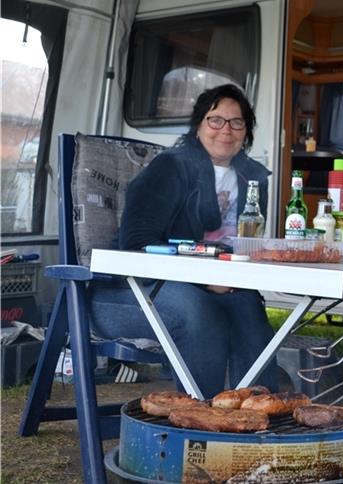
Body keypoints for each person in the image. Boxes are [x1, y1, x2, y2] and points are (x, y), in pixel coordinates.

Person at [88, 84, 278, 397]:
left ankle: (257, 420)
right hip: (125, 292)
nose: (225, 130)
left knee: (248, 308)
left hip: (207, 288)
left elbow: (244, 246)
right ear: (199, 125)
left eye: (236, 122)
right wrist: (205, 280)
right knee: (199, 309)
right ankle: (199, 422)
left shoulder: (252, 178)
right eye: (215, 120)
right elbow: (136, 244)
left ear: (247, 130)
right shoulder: (171, 167)